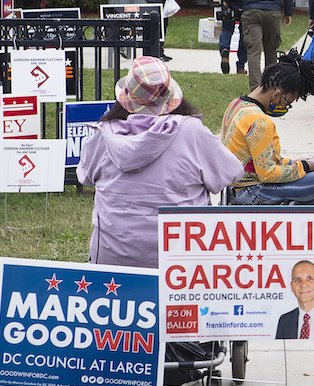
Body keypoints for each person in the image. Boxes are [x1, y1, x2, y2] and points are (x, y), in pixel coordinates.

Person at [78, 56, 243, 267]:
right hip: (181, 262)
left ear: (126, 96)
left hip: (113, 257)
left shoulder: (105, 134)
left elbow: (85, 176)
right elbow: (231, 173)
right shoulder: (191, 132)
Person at [221, 49, 314, 205]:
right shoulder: (259, 121)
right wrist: (303, 167)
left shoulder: (236, 105)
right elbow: (268, 174)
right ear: (277, 95)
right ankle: (300, 226)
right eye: (287, 103)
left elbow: (261, 159)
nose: (284, 107)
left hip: (236, 189)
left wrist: (291, 163)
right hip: (252, 191)